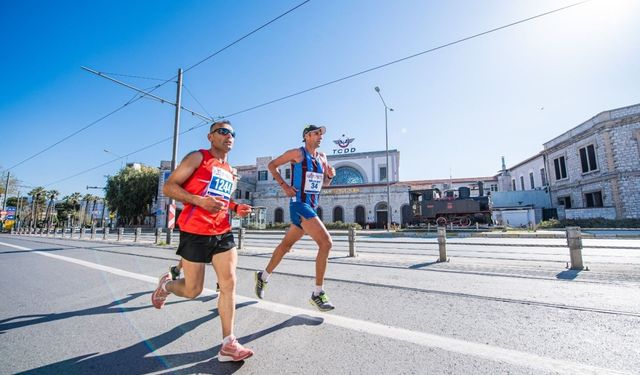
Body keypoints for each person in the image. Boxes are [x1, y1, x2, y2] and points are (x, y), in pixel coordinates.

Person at [151, 120, 254, 362]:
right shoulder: (198, 157)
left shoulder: (229, 170)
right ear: (210, 136)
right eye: (224, 131)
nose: (229, 136)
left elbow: (221, 199)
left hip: (222, 231)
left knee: (228, 283)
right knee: (192, 290)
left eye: (233, 133)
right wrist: (198, 201)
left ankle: (228, 343)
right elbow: (169, 187)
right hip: (194, 231)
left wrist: (236, 206)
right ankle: (165, 286)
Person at [254, 124, 336, 311]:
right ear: (307, 136)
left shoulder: (323, 157)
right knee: (326, 243)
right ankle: (317, 293)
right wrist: (284, 186)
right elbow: (271, 165)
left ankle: (263, 277)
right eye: (316, 133)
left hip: (312, 205)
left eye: (321, 133)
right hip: (299, 204)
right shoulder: (297, 154)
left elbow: (324, 183)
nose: (320, 136)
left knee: (285, 246)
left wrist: (330, 177)